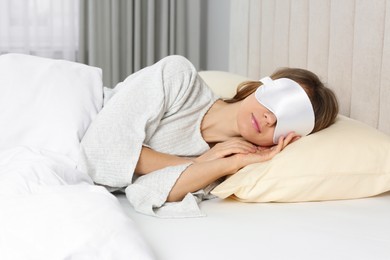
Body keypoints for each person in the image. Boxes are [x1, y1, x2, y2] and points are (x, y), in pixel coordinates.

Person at [78, 55, 338, 217]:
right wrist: (199, 163)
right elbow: (99, 154)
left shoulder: (225, 166)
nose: (271, 118)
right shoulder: (179, 77)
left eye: (285, 122)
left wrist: (224, 164)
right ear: (261, 87)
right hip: (73, 107)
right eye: (278, 102)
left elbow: (144, 192)